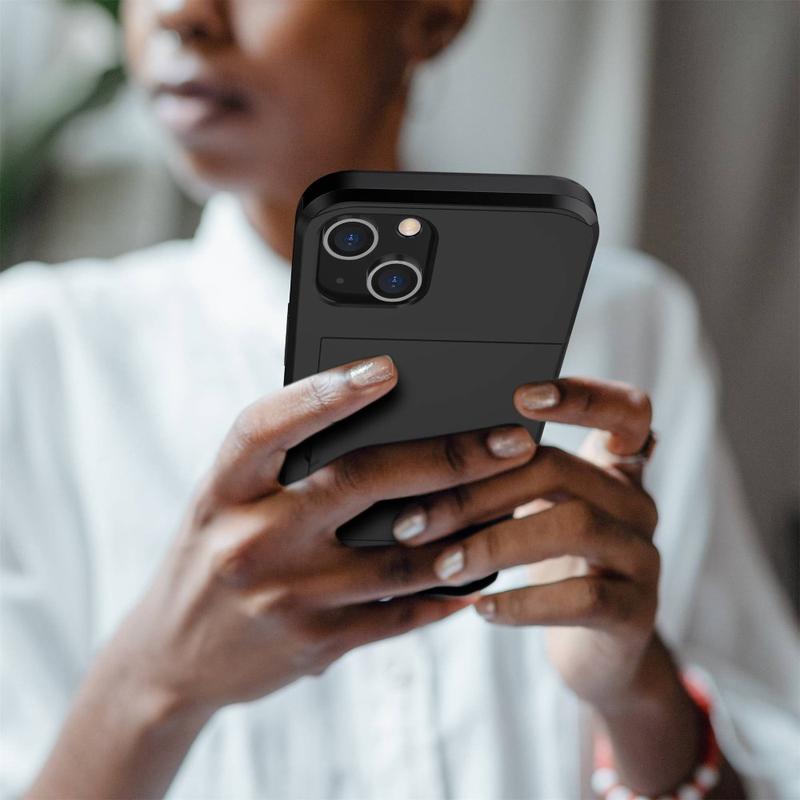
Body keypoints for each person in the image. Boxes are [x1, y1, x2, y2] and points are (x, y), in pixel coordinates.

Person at [1, 1, 797, 798]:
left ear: (434, 16)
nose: (179, 13)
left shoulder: (627, 328)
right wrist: (156, 683)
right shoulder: (41, 356)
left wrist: (635, 693)